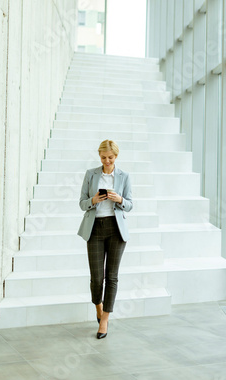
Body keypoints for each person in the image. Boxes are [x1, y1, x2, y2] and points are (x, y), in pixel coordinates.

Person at [77, 139, 133, 339]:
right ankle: (98, 306)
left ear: (116, 156)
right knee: (96, 278)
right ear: (99, 157)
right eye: (103, 157)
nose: (107, 161)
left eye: (110, 157)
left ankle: (105, 320)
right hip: (95, 229)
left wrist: (119, 200)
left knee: (112, 277)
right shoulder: (91, 174)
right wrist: (93, 200)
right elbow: (82, 203)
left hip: (116, 229)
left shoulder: (124, 176)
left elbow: (130, 204)